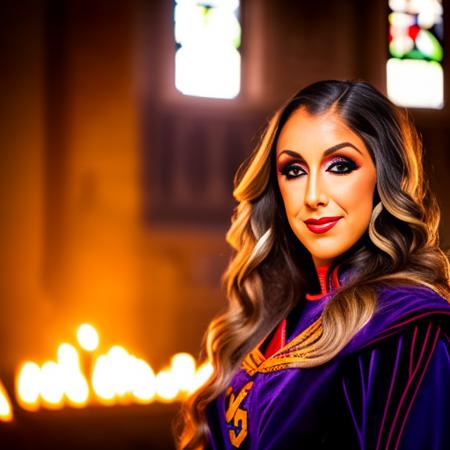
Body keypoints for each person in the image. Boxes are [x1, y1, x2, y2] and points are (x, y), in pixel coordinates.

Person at [175, 80, 450, 450]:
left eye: (340, 166)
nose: (313, 196)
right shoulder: (273, 316)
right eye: (294, 170)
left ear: (384, 176)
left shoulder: (407, 329)